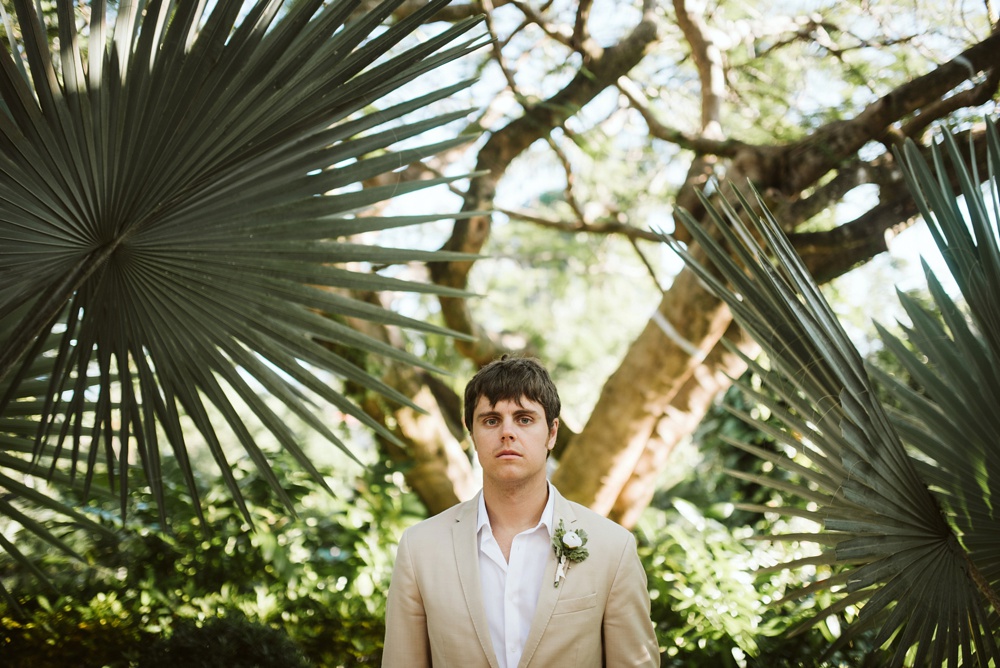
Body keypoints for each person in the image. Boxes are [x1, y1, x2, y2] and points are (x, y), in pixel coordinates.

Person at [382, 356, 659, 667]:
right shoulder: (420, 548)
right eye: (491, 420)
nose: (507, 433)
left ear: (552, 433)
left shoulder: (613, 548)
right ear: (471, 433)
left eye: (524, 419)